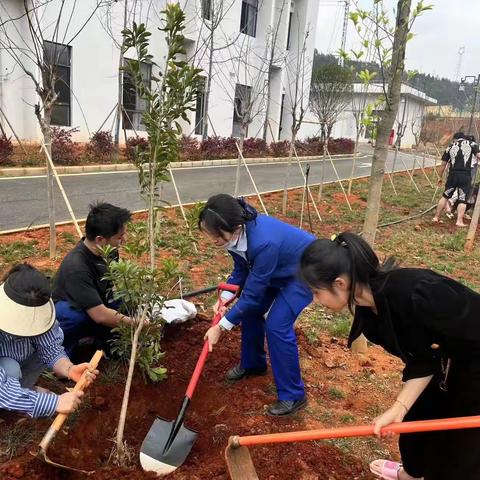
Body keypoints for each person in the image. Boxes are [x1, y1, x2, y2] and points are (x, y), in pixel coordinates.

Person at [299, 232, 480, 480]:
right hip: (444, 365)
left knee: (461, 448)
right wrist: (399, 408)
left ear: (340, 283)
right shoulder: (370, 315)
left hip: (473, 367)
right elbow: (421, 358)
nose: (314, 301)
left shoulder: (419, 293)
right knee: (417, 423)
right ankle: (412, 474)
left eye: (316, 292)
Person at [199, 194, 315, 416]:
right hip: (274, 269)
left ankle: (293, 395)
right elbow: (241, 270)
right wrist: (225, 296)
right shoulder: (235, 237)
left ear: (232, 226)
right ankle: (253, 363)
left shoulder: (264, 241)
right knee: (250, 312)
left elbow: (251, 295)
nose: (212, 241)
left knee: (277, 325)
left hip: (304, 272)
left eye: (215, 235)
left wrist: (221, 327)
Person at [0, 264, 97, 418]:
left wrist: (69, 369)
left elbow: (50, 348)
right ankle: (14, 402)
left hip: (15, 360)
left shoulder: (38, 309)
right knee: (9, 368)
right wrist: (53, 403)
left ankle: (22, 391)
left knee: (37, 353)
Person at [53, 202, 133, 360]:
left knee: (123, 302)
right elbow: (100, 315)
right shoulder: (77, 266)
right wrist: (138, 325)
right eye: (120, 236)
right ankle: (61, 353)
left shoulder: (109, 252)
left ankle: (102, 341)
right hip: (67, 311)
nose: (125, 239)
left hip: (93, 300)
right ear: (100, 240)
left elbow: (111, 289)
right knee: (74, 317)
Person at [433, 131, 480, 227]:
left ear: (455, 139)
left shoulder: (450, 147)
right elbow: (479, 156)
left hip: (453, 175)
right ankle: (459, 221)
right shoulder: (472, 144)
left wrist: (440, 177)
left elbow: (443, 164)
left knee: (445, 196)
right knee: (462, 199)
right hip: (465, 175)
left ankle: (436, 217)